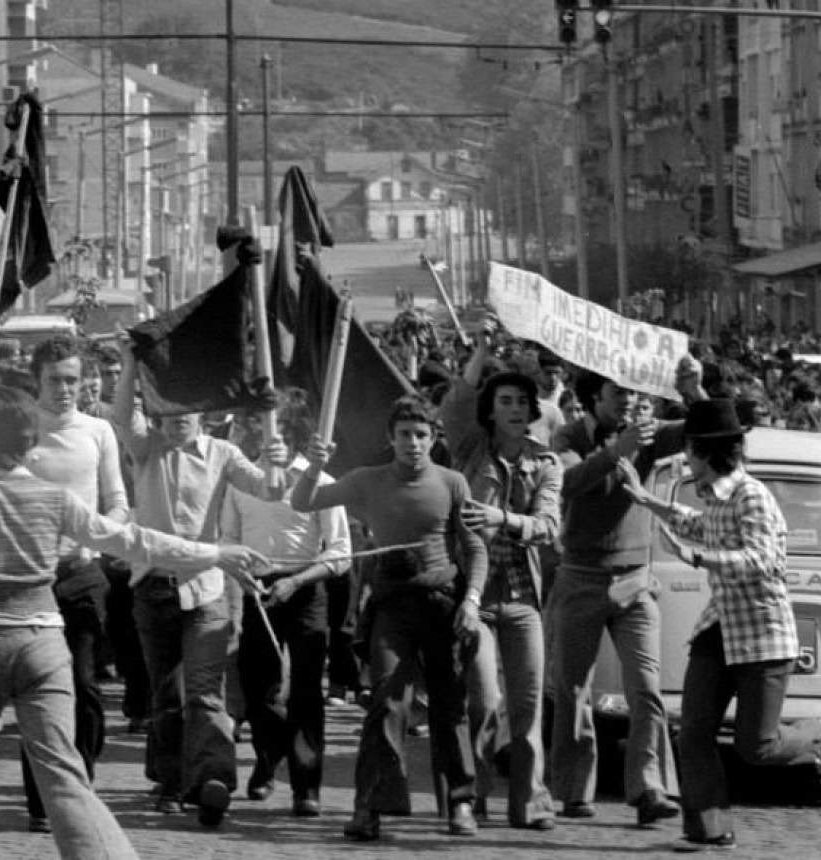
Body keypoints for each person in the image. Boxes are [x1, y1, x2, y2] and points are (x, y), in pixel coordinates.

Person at [0, 385, 269, 860]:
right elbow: (131, 540)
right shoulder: (55, 498)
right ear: (32, 441)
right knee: (63, 773)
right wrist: (213, 553)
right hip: (45, 642)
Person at [617, 399, 821, 850]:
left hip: (763, 636)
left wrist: (696, 557)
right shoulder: (716, 497)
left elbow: (761, 561)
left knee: (755, 748)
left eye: (689, 450)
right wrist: (648, 501)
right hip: (719, 629)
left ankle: (815, 737)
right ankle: (710, 829)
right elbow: (701, 524)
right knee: (693, 732)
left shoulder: (751, 495)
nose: (685, 460)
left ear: (707, 452)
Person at [292, 395, 487, 841]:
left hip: (444, 604)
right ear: (391, 438)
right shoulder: (367, 480)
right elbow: (304, 501)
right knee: (386, 701)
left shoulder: (453, 483)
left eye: (421, 435)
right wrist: (314, 466)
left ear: (433, 438)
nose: (413, 443)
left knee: (449, 704)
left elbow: (474, 548)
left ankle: (460, 802)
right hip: (392, 606)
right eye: (404, 435)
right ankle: (370, 807)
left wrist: (472, 601)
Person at [112, 343, 291, 827]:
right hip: (154, 588)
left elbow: (270, 489)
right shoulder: (146, 449)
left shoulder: (223, 454)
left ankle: (213, 779)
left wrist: (275, 458)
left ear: (204, 413)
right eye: (167, 411)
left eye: (186, 410)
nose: (177, 420)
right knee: (167, 696)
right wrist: (130, 363)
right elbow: (120, 416)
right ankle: (170, 781)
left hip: (207, 588)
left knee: (206, 691)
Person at [546, 361, 705, 825]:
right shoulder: (568, 437)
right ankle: (574, 790)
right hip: (581, 576)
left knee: (646, 688)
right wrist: (619, 450)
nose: (630, 400)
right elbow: (569, 483)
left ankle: (650, 788)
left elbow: (705, 430)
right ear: (594, 398)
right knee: (573, 689)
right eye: (619, 392)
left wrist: (693, 390)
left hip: (636, 579)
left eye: (636, 392)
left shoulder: (650, 434)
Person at [442, 333, 562, 830]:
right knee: (485, 701)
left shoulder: (547, 463)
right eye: (505, 401)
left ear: (533, 410)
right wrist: (481, 351)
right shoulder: (470, 448)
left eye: (521, 402)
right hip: (474, 596)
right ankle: (473, 799)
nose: (514, 409)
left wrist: (505, 520)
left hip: (523, 598)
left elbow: (549, 526)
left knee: (529, 706)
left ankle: (530, 804)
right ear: (490, 411)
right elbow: (456, 402)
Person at [18, 336, 130, 832]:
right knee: (37, 688)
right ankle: (42, 798)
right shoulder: (22, 430)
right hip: (31, 578)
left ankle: (79, 782)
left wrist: (99, 538)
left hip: (82, 576)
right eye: (55, 380)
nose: (65, 389)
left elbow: (117, 501)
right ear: (37, 381)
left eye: (72, 380)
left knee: (82, 683)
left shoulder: (98, 431)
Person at [220, 397, 351, 816]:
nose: (260, 435)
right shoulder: (241, 482)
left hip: (305, 587)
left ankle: (306, 785)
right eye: (255, 426)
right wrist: (241, 572)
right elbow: (227, 537)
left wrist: (297, 581)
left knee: (307, 690)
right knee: (258, 686)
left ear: (291, 433)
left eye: (271, 428)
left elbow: (341, 552)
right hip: (257, 588)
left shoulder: (320, 482)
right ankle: (268, 756)